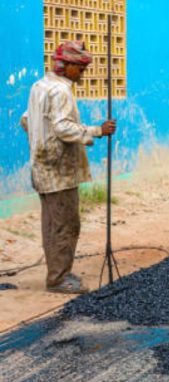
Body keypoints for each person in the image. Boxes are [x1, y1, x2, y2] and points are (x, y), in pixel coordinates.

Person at [21, 41, 117, 294]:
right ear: (67, 66)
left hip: (42, 165)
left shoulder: (39, 86)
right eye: (80, 69)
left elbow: (26, 120)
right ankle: (58, 279)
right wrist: (96, 130)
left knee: (52, 224)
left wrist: (40, 142)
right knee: (66, 224)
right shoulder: (61, 91)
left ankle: (58, 271)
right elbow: (63, 127)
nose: (82, 74)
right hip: (58, 170)